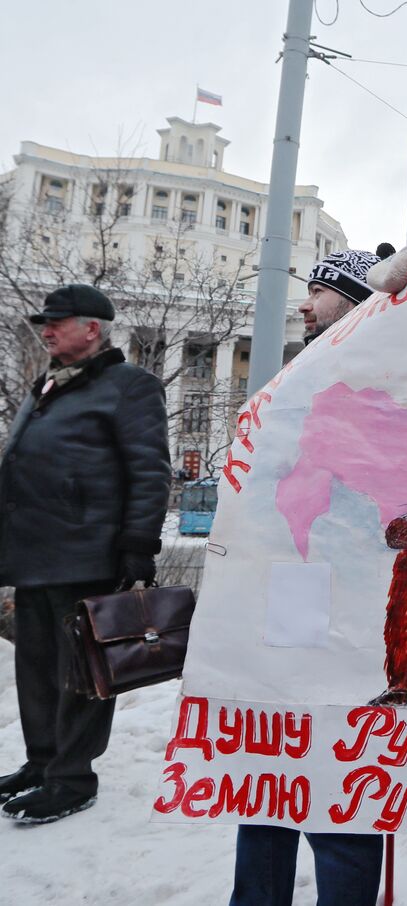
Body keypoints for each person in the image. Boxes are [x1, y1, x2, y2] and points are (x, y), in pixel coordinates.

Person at [228, 245, 394, 906]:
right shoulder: (299, 374)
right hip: (283, 605)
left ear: (353, 302)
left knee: (340, 787)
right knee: (267, 778)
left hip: (349, 613)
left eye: (321, 290)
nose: (304, 301)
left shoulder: (382, 374)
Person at [0, 284, 171, 825]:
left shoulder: (129, 386)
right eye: (42, 323)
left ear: (92, 328)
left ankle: (72, 779)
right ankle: (43, 763)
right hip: (33, 552)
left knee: (81, 675)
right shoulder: (48, 384)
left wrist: (137, 547)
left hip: (88, 552)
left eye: (56, 322)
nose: (45, 331)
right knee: (36, 670)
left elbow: (150, 472)